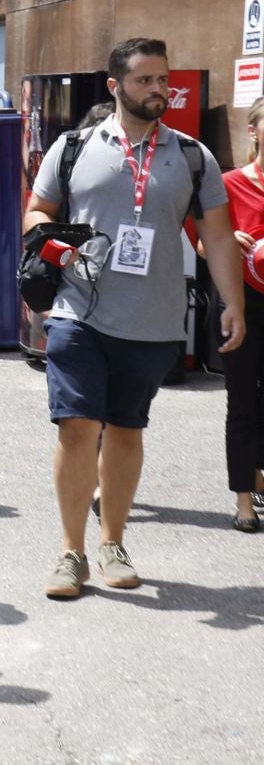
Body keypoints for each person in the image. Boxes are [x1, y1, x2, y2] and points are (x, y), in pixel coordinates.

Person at [24, 38, 246, 597]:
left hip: (153, 317)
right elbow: (37, 210)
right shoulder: (73, 147)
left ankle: (112, 542)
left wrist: (233, 304)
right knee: (77, 427)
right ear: (115, 86)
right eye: (145, 80)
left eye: (162, 80)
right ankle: (71, 551)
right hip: (79, 309)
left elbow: (217, 236)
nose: (158, 90)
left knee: (126, 429)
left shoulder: (194, 156)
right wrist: (56, 247)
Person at [219, 97, 264, 532]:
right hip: (241, 304)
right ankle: (244, 499)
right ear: (254, 131)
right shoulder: (230, 183)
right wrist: (228, 237)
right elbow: (202, 245)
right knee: (243, 402)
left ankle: (257, 471)